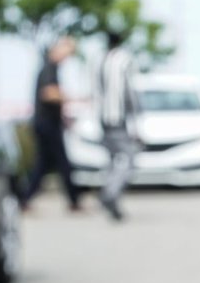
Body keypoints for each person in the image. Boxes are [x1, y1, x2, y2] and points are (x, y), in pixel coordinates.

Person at [20, 36, 82, 212]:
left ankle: (25, 198)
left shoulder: (51, 68)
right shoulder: (49, 68)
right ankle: (73, 200)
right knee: (62, 163)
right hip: (47, 125)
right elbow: (48, 93)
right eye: (67, 51)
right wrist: (74, 98)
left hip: (48, 123)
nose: (68, 56)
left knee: (43, 165)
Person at [95, 31, 136, 222]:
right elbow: (128, 92)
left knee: (112, 160)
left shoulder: (100, 60)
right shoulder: (123, 60)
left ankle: (109, 194)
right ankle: (110, 194)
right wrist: (136, 122)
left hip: (102, 117)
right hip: (118, 117)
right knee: (127, 158)